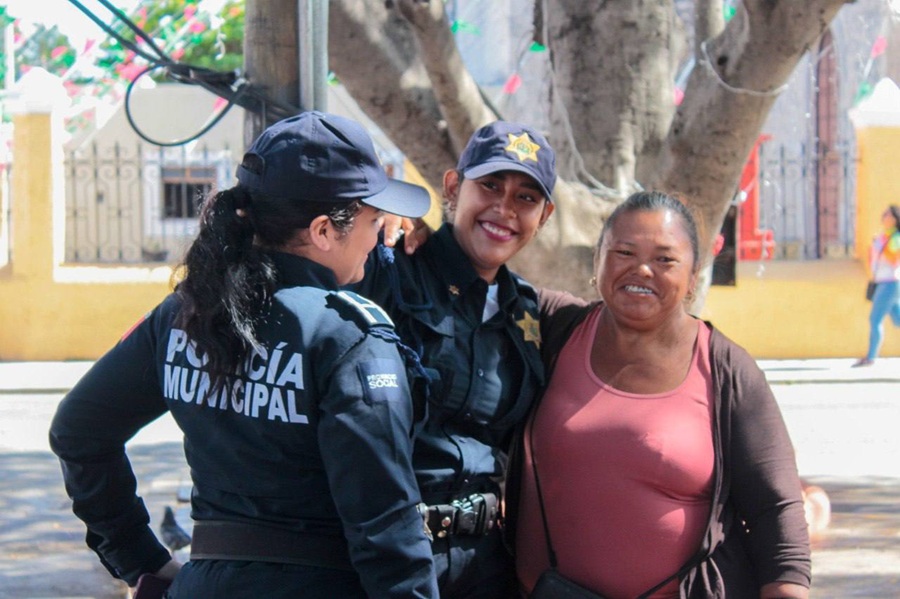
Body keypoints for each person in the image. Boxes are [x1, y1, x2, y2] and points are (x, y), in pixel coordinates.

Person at [49, 111, 439, 599]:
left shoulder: (185, 312)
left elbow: (79, 431)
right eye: (373, 220)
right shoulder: (349, 335)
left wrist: (141, 563)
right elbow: (385, 524)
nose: (378, 236)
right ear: (323, 230)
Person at [511, 191, 811, 598]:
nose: (641, 270)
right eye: (624, 252)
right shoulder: (553, 326)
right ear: (597, 260)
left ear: (693, 276)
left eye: (665, 259)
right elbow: (468, 278)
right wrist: (420, 230)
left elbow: (775, 510)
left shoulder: (727, 369)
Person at [351, 120, 558, 598]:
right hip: (381, 562)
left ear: (544, 216)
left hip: (483, 567)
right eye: (490, 186)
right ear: (451, 187)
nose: (504, 209)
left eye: (526, 198)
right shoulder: (390, 263)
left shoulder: (526, 310)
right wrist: (378, 218)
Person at [853, 204, 900, 367]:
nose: (884, 216)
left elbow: (895, 259)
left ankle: (871, 357)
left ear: (895, 219)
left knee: (875, 319)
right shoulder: (884, 236)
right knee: (897, 319)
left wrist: (882, 246)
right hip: (882, 281)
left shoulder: (896, 237)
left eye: (888, 214)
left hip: (890, 282)